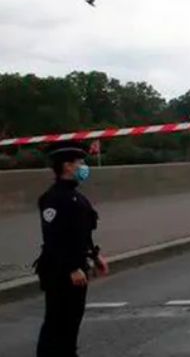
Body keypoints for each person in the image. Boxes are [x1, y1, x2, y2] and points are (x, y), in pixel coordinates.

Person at [35, 141, 108, 357]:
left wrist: (95, 256)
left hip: (76, 266)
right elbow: (54, 237)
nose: (83, 167)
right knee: (57, 321)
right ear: (67, 166)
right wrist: (72, 267)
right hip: (60, 270)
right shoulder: (54, 198)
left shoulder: (76, 196)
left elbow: (82, 232)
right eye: (80, 162)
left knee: (72, 320)